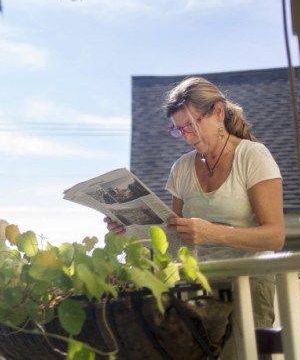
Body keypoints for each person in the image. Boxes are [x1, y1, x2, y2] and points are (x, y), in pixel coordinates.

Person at [105, 76, 284, 331]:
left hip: (248, 285)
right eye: (180, 130)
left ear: (218, 112)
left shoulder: (253, 156)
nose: (187, 136)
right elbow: (173, 241)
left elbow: (275, 237)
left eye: (191, 125)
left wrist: (214, 234)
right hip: (198, 288)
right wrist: (129, 230)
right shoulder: (182, 168)